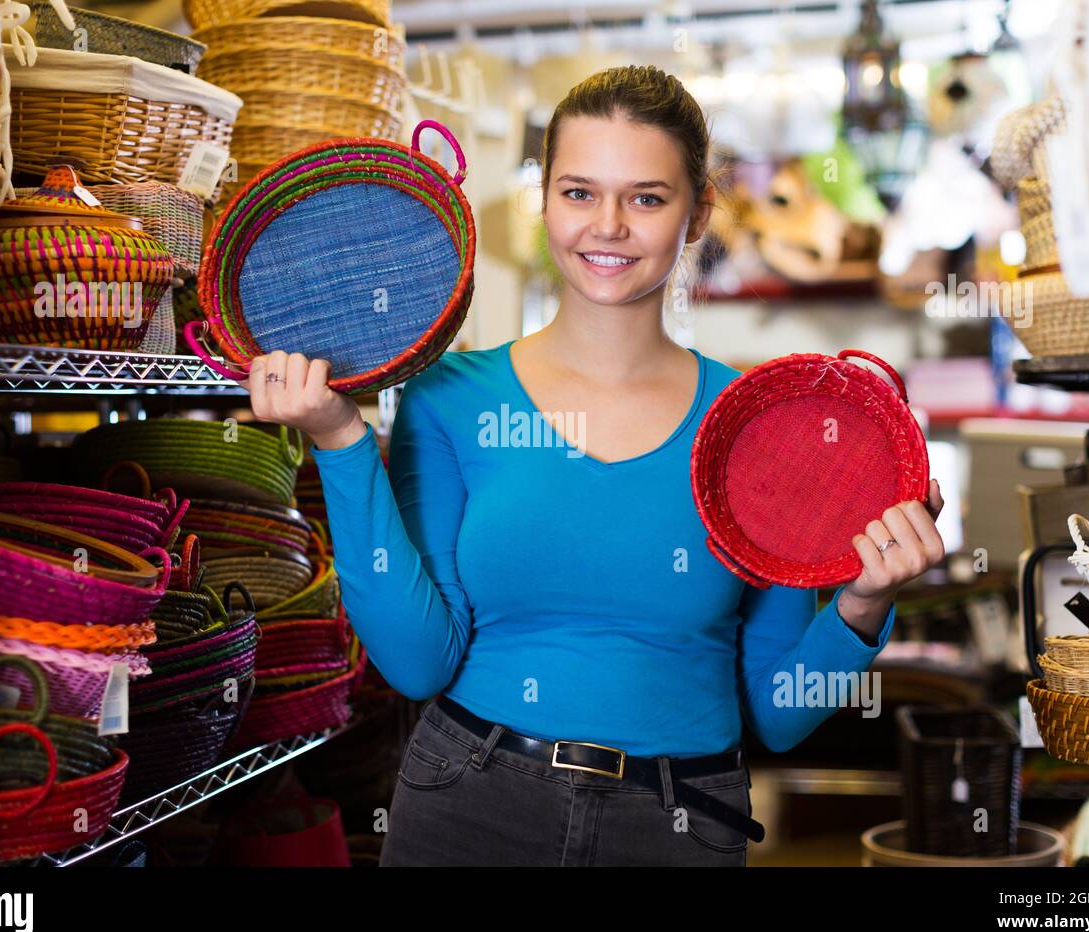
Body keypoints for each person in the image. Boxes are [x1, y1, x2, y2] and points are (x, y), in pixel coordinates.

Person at [244, 65, 945, 866]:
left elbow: (779, 713)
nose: (607, 225)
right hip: (470, 803)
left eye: (647, 198)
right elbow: (415, 662)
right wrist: (339, 439)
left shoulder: (756, 424)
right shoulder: (451, 399)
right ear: (543, 200)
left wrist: (863, 601)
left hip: (680, 820)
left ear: (697, 213)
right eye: (579, 192)